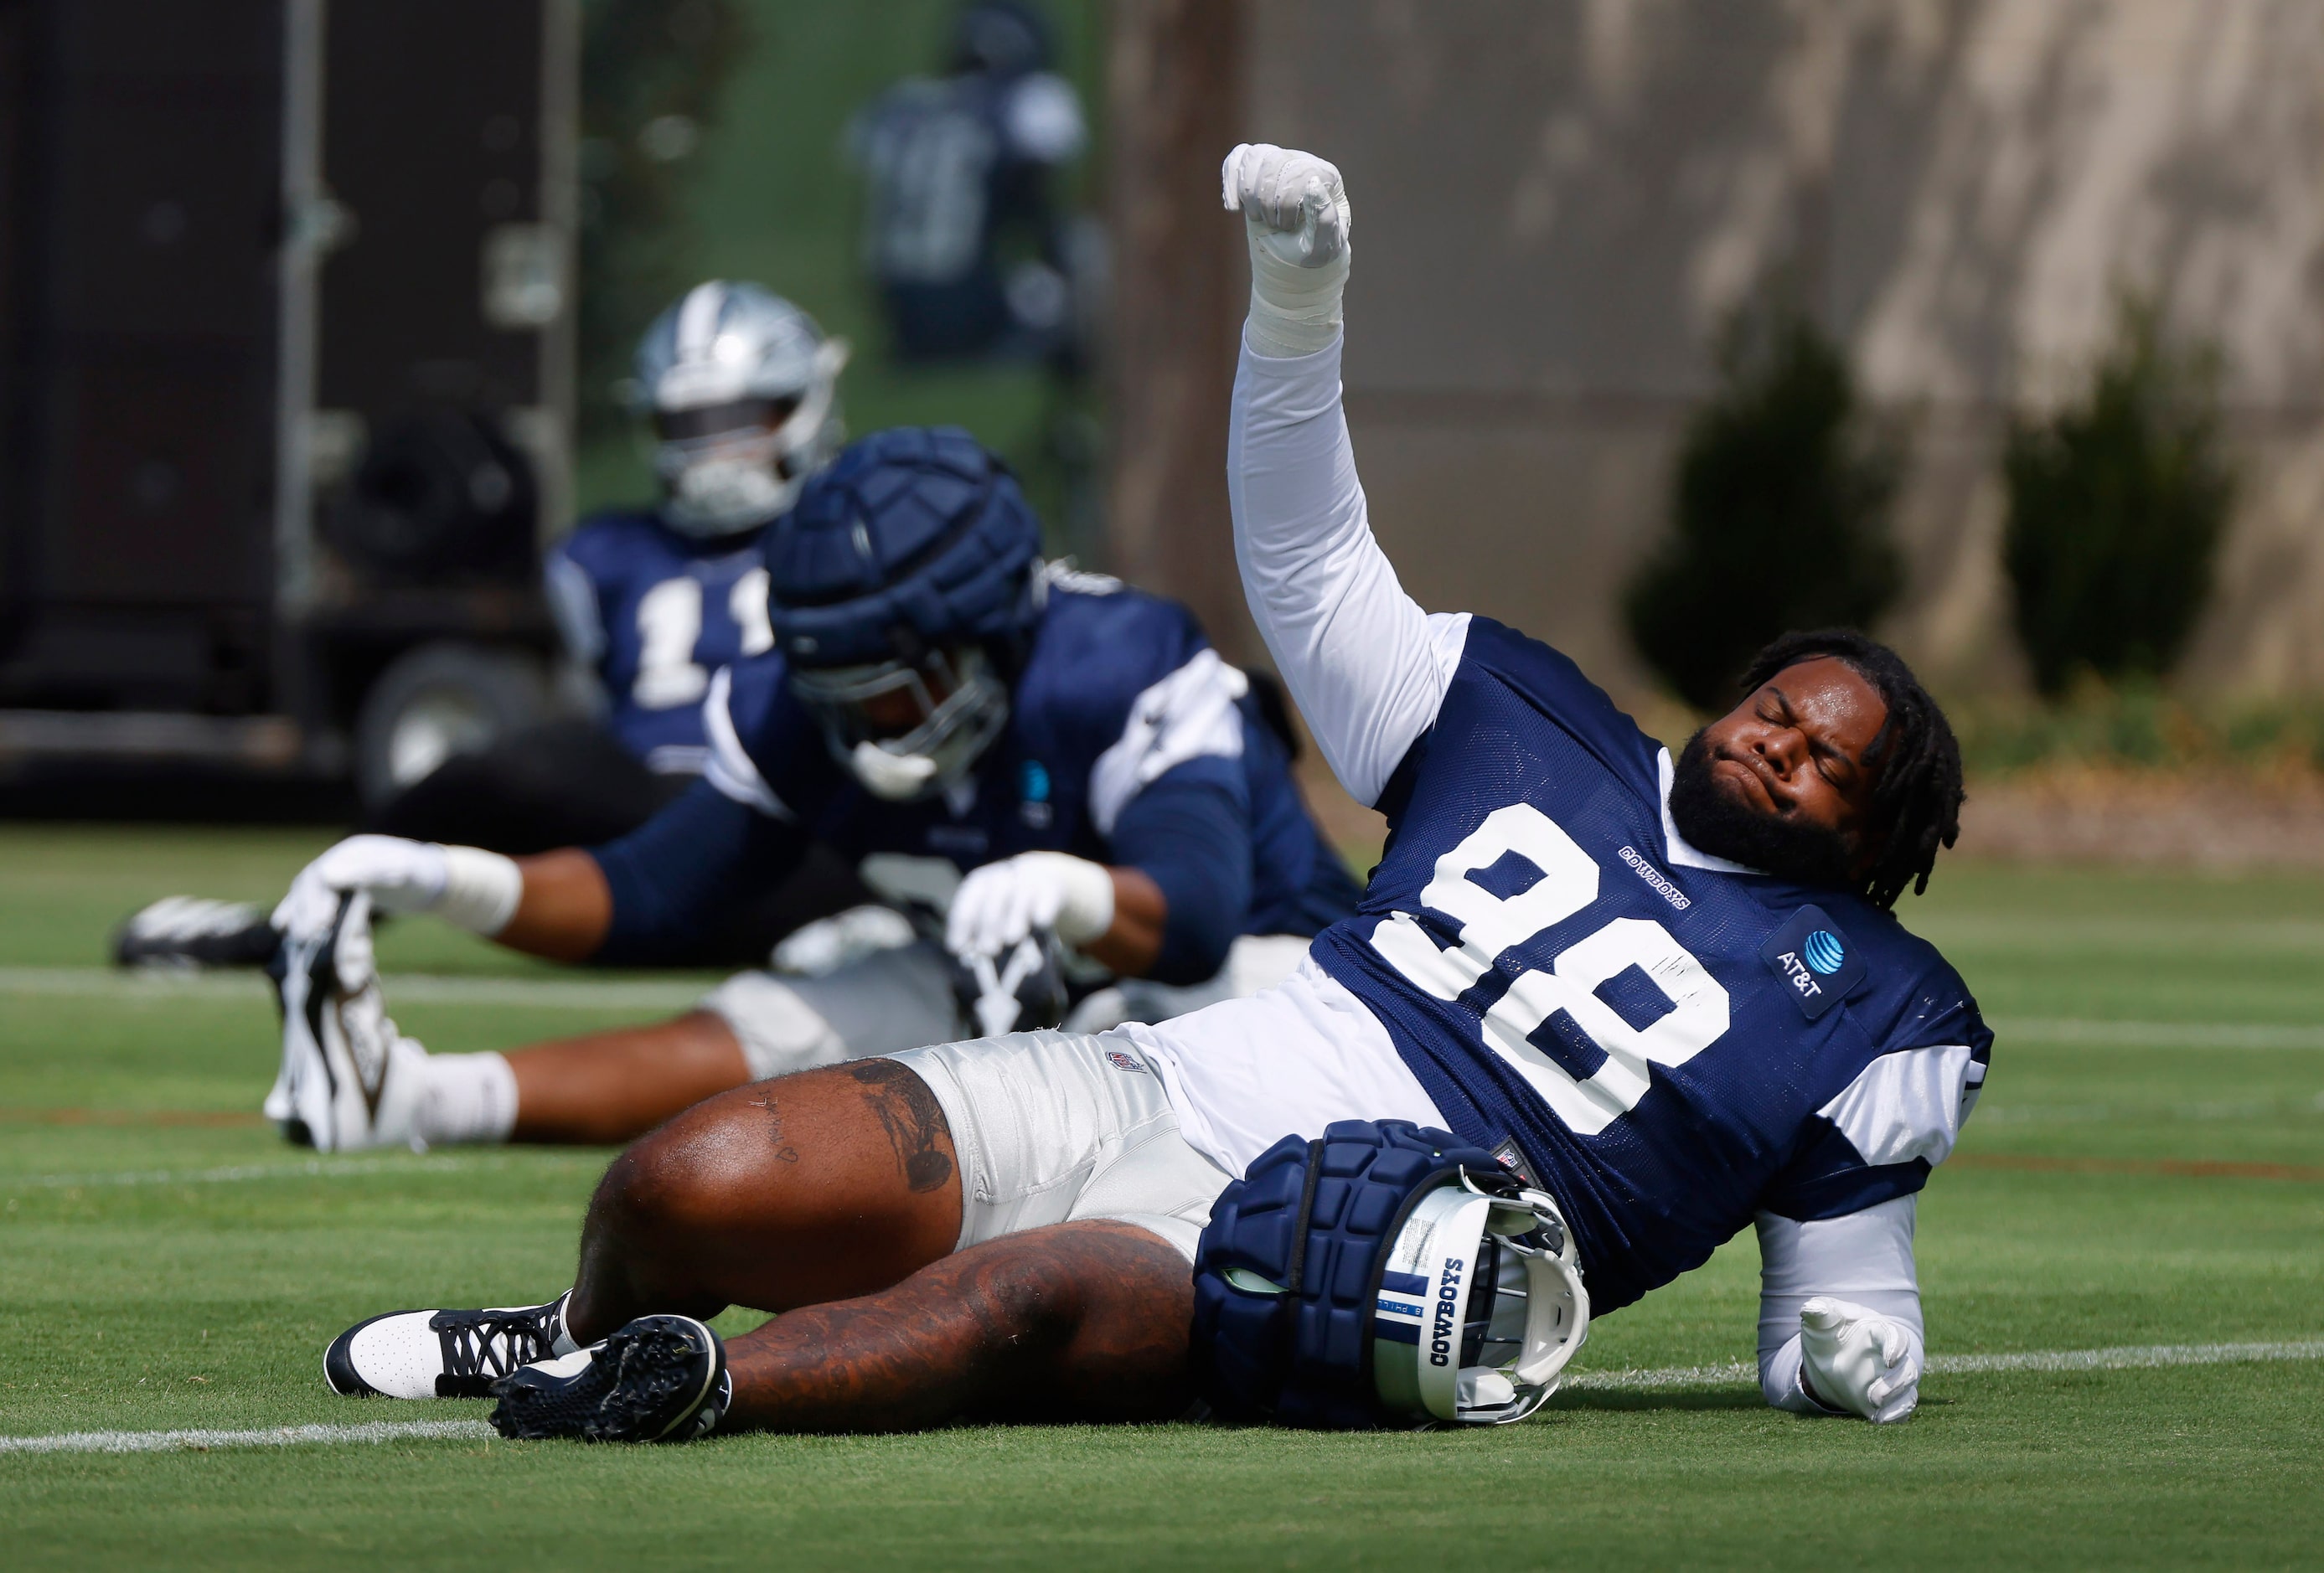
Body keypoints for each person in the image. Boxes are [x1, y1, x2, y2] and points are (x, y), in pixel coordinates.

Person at [321, 145, 1986, 1442]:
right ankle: (573, 1332)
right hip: (1163, 1072)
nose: (1787, 747)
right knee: (699, 1176)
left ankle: (686, 1391)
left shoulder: (1877, 1012)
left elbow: (1841, 1304)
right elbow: (1309, 560)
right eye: (1782, 710)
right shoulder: (1524, 720)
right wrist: (1297, 298)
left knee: (1024, 1303)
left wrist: (1853, 1353)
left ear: (1875, 832)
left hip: (1334, 1244)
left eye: (1836, 761)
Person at [264, 424, 1362, 1156]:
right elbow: (650, 892)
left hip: (1258, 987)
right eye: (830, 692)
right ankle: (414, 1098)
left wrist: (1062, 893)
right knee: (788, 1013)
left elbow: (1198, 914)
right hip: (995, 983)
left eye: (888, 692)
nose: (856, 727)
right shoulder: (800, 711)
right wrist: (440, 880)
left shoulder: (1119, 668)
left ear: (987, 639)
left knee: (1130, 1013)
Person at [116, 282, 867, 970]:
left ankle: (900, 920)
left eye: (742, 420)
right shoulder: (601, 555)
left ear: (805, 405)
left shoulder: (862, 531)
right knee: (499, 771)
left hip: (793, 829)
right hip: (642, 829)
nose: (714, 450)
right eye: (689, 423)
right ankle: (293, 928)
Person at [851, 1, 1089, 367]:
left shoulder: (904, 104)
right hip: (976, 314)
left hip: (901, 319)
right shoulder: (1019, 103)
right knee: (1084, 244)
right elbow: (1038, 213)